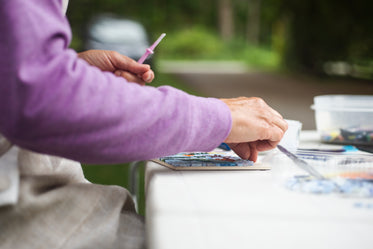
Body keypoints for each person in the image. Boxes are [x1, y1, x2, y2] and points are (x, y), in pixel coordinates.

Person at [0, 0, 288, 248]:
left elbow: (18, 79)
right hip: (23, 214)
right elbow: (37, 94)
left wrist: (76, 71)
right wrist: (217, 118)